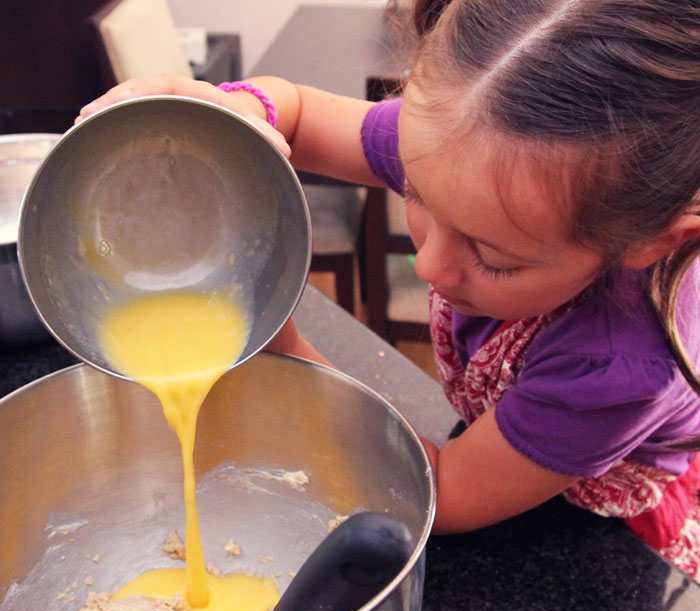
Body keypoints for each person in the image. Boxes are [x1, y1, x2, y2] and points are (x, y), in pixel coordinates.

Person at [78, 0, 700, 577]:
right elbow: (296, 109)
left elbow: (443, 493)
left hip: (590, 523)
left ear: (653, 242)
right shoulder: (468, 142)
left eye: (492, 258)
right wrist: (241, 114)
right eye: (418, 199)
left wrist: (282, 344)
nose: (428, 267)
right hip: (511, 429)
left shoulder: (616, 369)